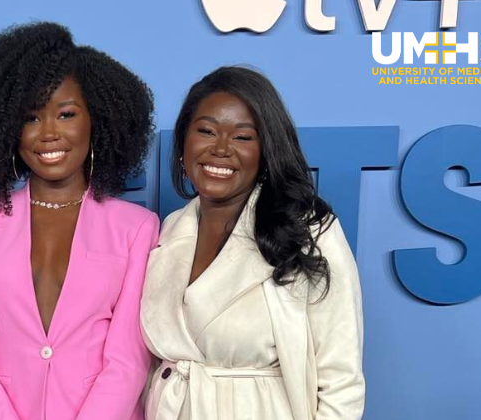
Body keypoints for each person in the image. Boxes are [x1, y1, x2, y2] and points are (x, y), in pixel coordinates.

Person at [0, 22, 159, 420]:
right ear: (8, 127)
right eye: (30, 118)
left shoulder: (137, 228)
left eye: (65, 114)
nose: (48, 134)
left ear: (96, 120)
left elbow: (127, 362)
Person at [141, 66, 364, 420]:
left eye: (243, 137)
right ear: (183, 142)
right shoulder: (168, 231)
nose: (221, 149)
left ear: (266, 151)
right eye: (206, 131)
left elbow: (342, 379)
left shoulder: (307, 230)